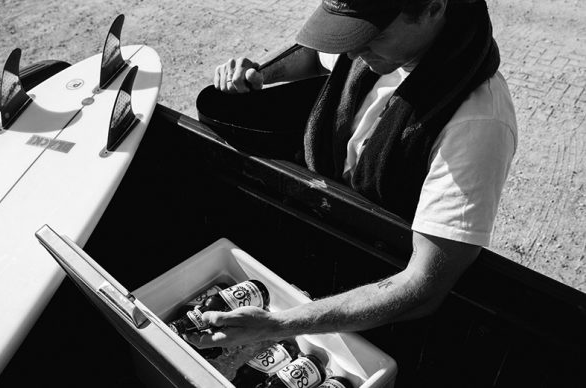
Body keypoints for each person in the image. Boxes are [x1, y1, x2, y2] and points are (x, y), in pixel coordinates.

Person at [189, 0, 517, 350]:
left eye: (371, 35)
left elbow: (422, 287)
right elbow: (318, 57)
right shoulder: (379, 48)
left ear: (433, 7)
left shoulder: (478, 124)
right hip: (324, 237)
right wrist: (261, 75)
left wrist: (278, 325)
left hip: (375, 289)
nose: (352, 50)